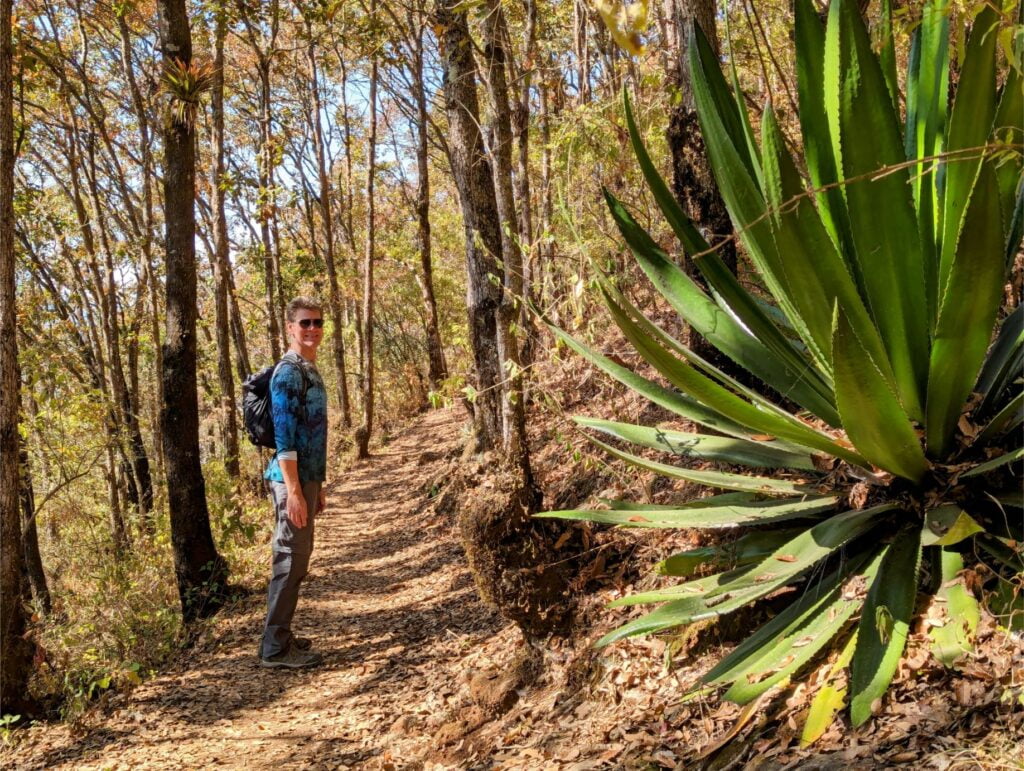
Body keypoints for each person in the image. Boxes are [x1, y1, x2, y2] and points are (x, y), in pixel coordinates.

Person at [259, 297, 328, 668]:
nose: (312, 329)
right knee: (289, 559)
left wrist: (318, 485)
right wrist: (296, 492)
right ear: (289, 327)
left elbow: (312, 434)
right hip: (290, 481)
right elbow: (285, 439)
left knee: (298, 560)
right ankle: (274, 649)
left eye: (317, 322)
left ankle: (280, 636)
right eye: (305, 323)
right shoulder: (287, 372)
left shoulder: (309, 368)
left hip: (305, 479)